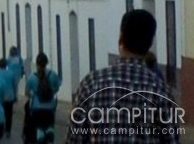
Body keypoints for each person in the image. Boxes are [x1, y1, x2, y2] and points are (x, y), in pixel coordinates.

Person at [67, 9, 180, 143]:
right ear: (149, 45)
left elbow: (74, 139)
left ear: (120, 39)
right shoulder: (161, 92)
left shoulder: (90, 84)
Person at [24, 52, 60, 144]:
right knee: (49, 123)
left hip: (36, 108)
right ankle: (49, 131)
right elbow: (56, 88)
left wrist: (33, 95)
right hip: (50, 107)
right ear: (47, 62)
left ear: (36, 63)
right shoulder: (53, 75)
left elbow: (27, 93)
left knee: (39, 125)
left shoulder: (31, 77)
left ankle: (40, 134)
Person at [0, 58, 17, 138]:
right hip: (10, 97)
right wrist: (15, 95)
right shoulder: (11, 73)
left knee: (1, 114)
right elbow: (14, 85)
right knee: (9, 115)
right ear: (6, 64)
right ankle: (8, 130)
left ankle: (1, 129)